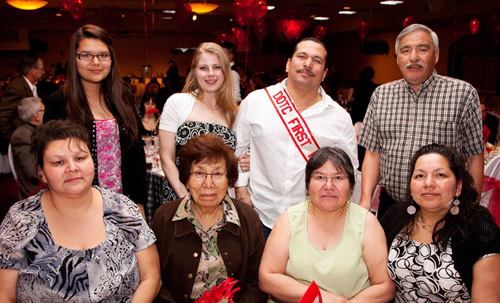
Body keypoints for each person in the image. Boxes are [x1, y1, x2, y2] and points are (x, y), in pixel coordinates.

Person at [0, 119, 161, 303]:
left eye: (80, 158)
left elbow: (151, 278)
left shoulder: (122, 209)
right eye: (58, 162)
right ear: (41, 173)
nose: (72, 168)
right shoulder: (21, 221)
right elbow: (4, 301)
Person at [233, 37, 358, 238]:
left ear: (325, 73)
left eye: (317, 61)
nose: (308, 64)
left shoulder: (339, 117)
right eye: (302, 57)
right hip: (258, 214)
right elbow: (236, 150)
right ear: (288, 64)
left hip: (312, 220)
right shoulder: (257, 101)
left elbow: (349, 171)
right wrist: (241, 193)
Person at [359, 23, 484, 218]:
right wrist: (365, 202)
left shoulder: (462, 94)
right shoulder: (381, 95)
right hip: (392, 206)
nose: (413, 57)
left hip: (444, 210)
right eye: (405, 50)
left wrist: (472, 207)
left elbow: (474, 156)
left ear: (436, 55)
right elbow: (373, 154)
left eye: (422, 49)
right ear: (398, 58)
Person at [259, 147, 394, 303]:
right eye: (320, 177)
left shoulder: (367, 223)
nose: (328, 186)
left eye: (338, 178)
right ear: (307, 184)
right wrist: (319, 298)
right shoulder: (289, 220)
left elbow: (385, 286)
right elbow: (267, 278)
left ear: (351, 186)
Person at [145, 134, 266, 303]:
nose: (208, 184)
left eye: (217, 174)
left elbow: (255, 283)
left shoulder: (247, 219)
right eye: (199, 173)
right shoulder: (165, 218)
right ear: (186, 178)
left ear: (229, 179)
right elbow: (154, 281)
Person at [381, 144, 500, 303]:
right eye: (420, 175)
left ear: (459, 186)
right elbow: (384, 287)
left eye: (440, 175)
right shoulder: (396, 218)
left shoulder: (479, 229)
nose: (429, 183)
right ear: (411, 186)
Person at [44, 24, 147, 213]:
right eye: (86, 55)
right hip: (77, 207)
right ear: (74, 58)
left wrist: (138, 206)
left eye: (103, 55)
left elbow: (136, 154)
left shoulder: (122, 95)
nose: (96, 62)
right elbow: (51, 160)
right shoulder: (59, 102)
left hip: (123, 205)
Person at [158, 42, 241, 202]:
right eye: (203, 68)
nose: (211, 73)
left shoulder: (232, 112)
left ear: (226, 71)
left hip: (219, 201)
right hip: (180, 197)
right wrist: (188, 200)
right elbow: (166, 158)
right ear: (194, 71)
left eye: (217, 67)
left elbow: (232, 163)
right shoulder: (178, 103)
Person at [0, 52, 44, 154]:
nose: (43, 72)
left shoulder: (29, 86)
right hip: (21, 140)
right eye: (41, 69)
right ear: (33, 70)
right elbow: (2, 117)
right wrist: (13, 139)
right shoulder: (16, 87)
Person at [10, 97, 44, 199]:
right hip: (35, 193)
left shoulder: (35, 130)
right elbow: (32, 172)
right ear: (36, 116)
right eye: (44, 111)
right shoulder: (22, 136)